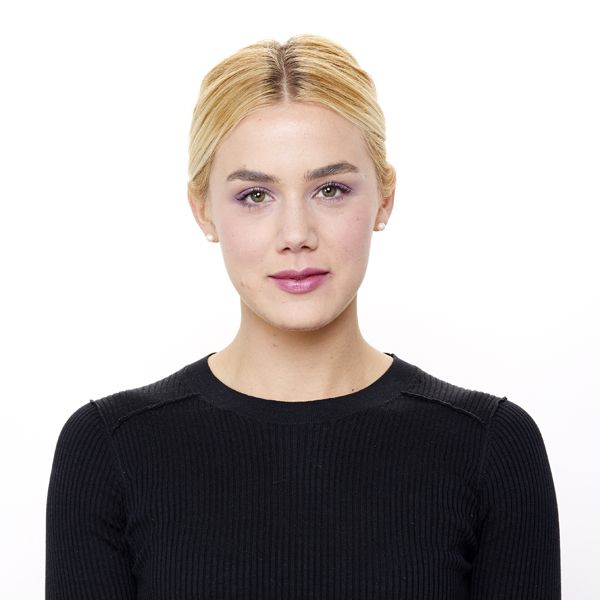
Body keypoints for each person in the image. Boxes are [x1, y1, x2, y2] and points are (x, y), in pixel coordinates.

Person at [45, 34, 561, 598]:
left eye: (331, 189)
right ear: (203, 209)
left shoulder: (489, 447)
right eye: (255, 196)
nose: (296, 234)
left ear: (385, 198)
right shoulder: (111, 449)